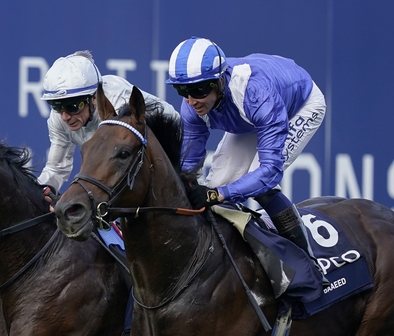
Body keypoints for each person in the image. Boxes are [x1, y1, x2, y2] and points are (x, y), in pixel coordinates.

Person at [165, 36, 328, 285]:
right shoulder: (191, 106)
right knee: (215, 182)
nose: (191, 100)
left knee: (260, 186)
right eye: (182, 91)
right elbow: (189, 166)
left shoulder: (255, 93)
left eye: (198, 91)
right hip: (251, 116)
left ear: (220, 80)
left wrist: (221, 194)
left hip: (298, 105)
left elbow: (269, 171)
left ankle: (309, 267)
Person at [38, 50, 180, 200]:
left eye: (73, 106)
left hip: (171, 143)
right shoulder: (58, 117)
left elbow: (124, 167)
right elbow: (56, 168)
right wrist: (41, 193)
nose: (65, 116)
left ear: (94, 98)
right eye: (56, 106)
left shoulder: (119, 104)